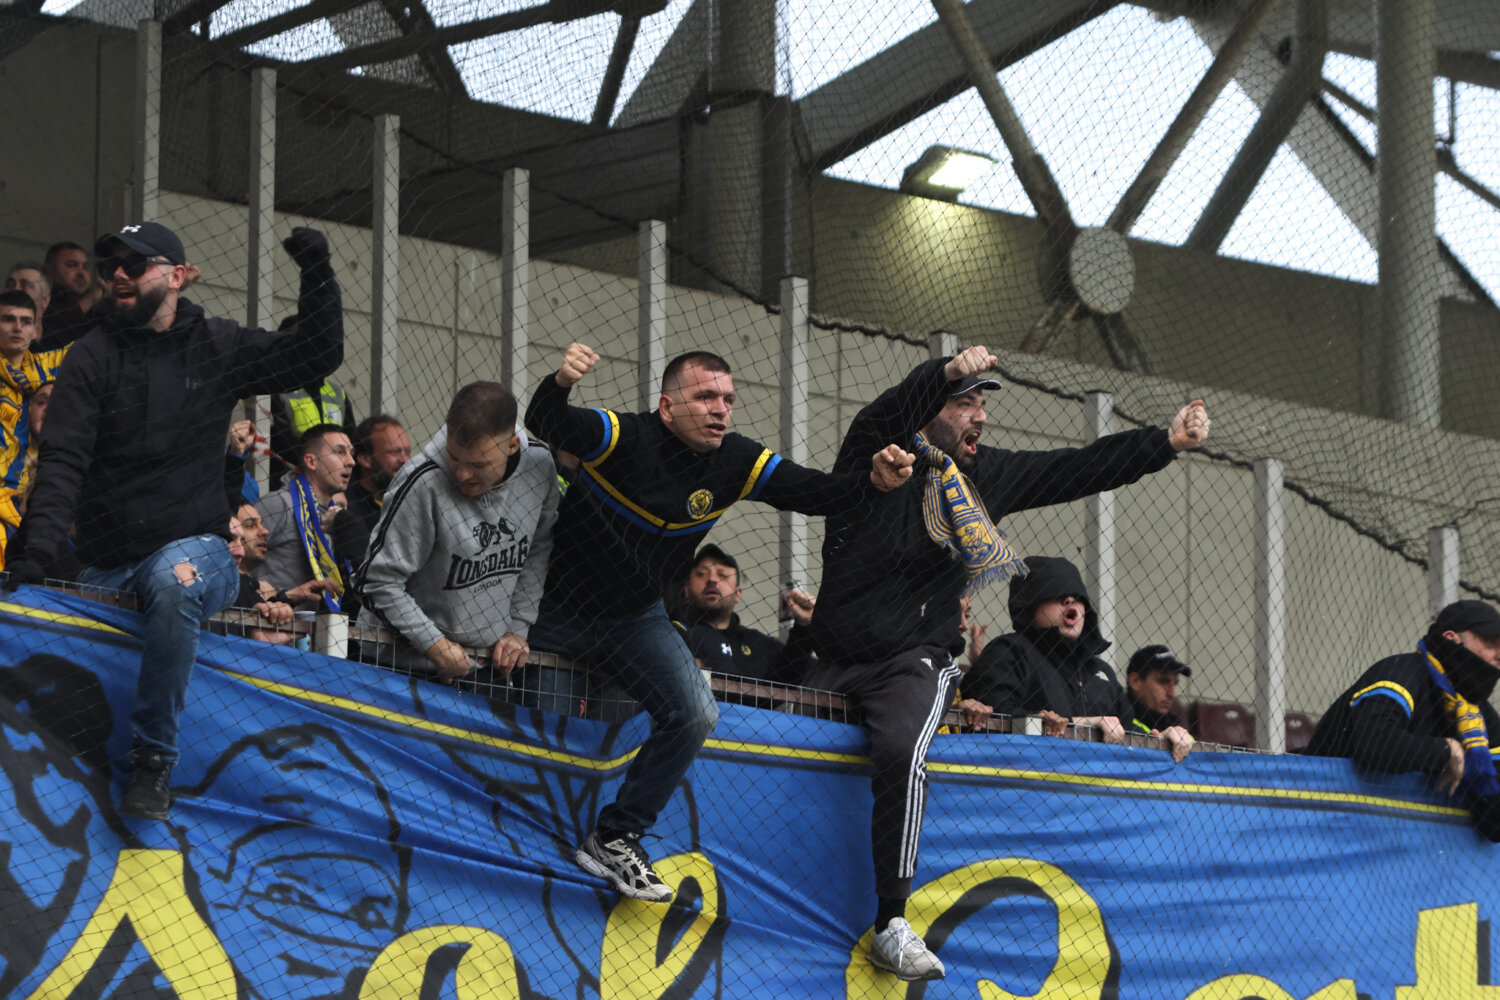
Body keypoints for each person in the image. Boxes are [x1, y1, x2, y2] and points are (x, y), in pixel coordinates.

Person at [803, 346, 1209, 981]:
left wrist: (1164, 442)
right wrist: (943, 371)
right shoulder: (877, 451)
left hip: (912, 661)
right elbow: (892, 408)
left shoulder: (984, 475)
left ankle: (890, 923)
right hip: (833, 654)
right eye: (965, 402)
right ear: (930, 409)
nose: (980, 416)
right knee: (782, 742)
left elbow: (1076, 468)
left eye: (982, 403)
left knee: (902, 749)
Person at [523, 342, 914, 904]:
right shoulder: (622, 435)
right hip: (555, 614)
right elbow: (545, 420)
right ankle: (522, 852)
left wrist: (873, 483)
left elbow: (816, 492)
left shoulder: (737, 461)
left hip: (635, 620)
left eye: (728, 399)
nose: (720, 409)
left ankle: (615, 836)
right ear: (667, 406)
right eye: (706, 396)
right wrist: (561, 381)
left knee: (696, 713)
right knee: (543, 732)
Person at [3, 220, 344, 821]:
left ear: (178, 276)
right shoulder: (91, 356)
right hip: (109, 567)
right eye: (111, 266)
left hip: (200, 554)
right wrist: (32, 560)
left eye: (136, 264)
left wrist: (316, 270)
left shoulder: (218, 343)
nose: (118, 274)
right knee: (63, 597)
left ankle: (153, 762)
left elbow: (317, 354)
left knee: (176, 576)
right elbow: (62, 465)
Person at [356, 382, 557, 682]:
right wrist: (434, 645)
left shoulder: (538, 468)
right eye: (453, 457)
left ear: (512, 445)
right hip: (398, 666)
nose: (462, 474)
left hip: (485, 665)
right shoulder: (422, 480)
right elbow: (376, 580)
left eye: (478, 464)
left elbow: (538, 549)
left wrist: (517, 628)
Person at [1305, 599, 1500, 841]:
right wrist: (1445, 751)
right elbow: (1375, 743)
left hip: (1401, 848)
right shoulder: (1399, 672)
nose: (1499, 655)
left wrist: (1480, 776)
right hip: (1320, 827)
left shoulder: (1480, 715)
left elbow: (1495, 826)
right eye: (1490, 642)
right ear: (1451, 638)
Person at [673, 543, 813, 681]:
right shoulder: (673, 635)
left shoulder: (760, 645)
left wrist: (803, 626)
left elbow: (791, 676)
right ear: (686, 590)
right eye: (701, 574)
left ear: (737, 594)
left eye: (723, 575)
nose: (712, 579)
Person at [256, 424, 355, 611]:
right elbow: (237, 558)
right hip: (269, 621)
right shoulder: (279, 503)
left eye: (351, 453)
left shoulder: (335, 517)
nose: (351, 461)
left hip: (315, 627)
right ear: (311, 462)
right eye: (340, 452)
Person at [334, 413, 410, 570]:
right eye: (394, 452)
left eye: (407, 452)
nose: (405, 460)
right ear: (365, 459)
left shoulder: (411, 500)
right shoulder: (346, 504)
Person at [40, 241, 101, 348]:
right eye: (72, 265)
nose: (81, 273)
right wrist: (90, 300)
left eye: (85, 267)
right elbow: (55, 334)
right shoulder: (42, 299)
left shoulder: (99, 303)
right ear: (50, 267)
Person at [1125, 644, 1193, 737]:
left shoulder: (1180, 731)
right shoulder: (1118, 724)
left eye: (1175, 683)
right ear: (1135, 681)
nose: (1172, 694)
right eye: (1163, 681)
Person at [4, 264, 49, 341]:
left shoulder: (62, 344)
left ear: (45, 300)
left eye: (25, 285)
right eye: (9, 285)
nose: (15, 289)